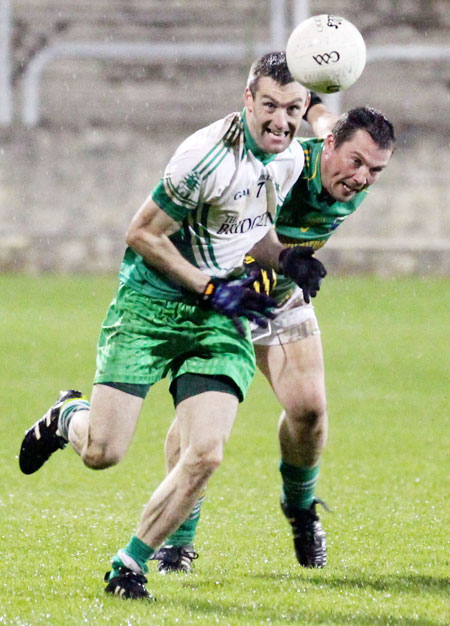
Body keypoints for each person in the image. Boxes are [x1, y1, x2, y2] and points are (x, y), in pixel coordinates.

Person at [18, 51, 327, 601]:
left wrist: (285, 258)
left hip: (220, 317)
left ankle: (129, 563)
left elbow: (241, 230)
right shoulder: (203, 157)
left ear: (306, 109)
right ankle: (68, 416)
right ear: (248, 99)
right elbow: (142, 234)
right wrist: (208, 286)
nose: (282, 120)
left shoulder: (289, 160)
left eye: (294, 108)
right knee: (103, 453)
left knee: (206, 451)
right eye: (271, 106)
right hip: (150, 308)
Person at [154, 105, 396, 574]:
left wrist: (310, 103)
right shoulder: (282, 168)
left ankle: (300, 509)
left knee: (309, 410)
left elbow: (327, 119)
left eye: (376, 170)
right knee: (196, 429)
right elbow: (226, 221)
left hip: (282, 296)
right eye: (357, 162)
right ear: (329, 149)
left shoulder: (344, 159)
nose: (363, 177)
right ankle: (177, 543)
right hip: (223, 296)